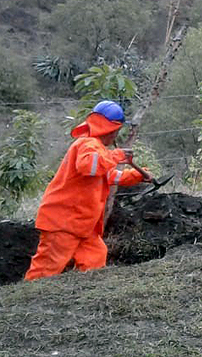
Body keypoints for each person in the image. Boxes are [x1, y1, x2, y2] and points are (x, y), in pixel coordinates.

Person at [25, 101, 149, 281]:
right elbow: (88, 167)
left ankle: (86, 298)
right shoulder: (87, 144)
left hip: (82, 223)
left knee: (95, 258)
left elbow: (105, 176)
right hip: (63, 222)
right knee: (46, 269)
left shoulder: (96, 148)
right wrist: (116, 155)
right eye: (116, 131)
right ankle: (29, 302)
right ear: (111, 130)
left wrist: (136, 176)